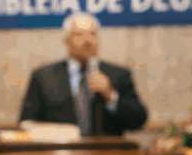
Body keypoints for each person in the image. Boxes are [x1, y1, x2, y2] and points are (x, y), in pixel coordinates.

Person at [18, 12, 148, 135]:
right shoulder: (43, 77)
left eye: (92, 34)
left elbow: (138, 120)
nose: (87, 41)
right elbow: (27, 122)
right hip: (61, 153)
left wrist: (110, 95)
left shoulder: (118, 75)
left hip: (107, 153)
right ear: (66, 41)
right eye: (79, 35)